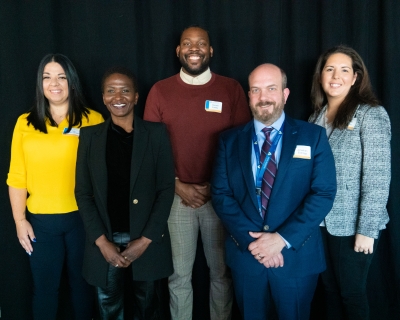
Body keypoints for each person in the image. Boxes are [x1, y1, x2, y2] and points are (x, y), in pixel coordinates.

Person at [211, 63, 337, 320]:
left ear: (285, 94)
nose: (263, 97)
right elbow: (221, 195)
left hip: (295, 257)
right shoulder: (229, 141)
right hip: (248, 257)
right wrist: (255, 244)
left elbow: (323, 193)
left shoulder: (313, 137)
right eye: (255, 90)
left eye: (271, 88)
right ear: (248, 96)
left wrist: (280, 240)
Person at [144, 26, 251, 320]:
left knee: (221, 275)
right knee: (179, 277)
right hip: (176, 198)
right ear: (178, 51)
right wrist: (178, 186)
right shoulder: (160, 91)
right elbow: (149, 151)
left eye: (201, 43)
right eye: (187, 44)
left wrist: (214, 186)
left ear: (211, 51)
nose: (194, 48)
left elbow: (242, 146)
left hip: (221, 198)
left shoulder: (230, 89)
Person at [7, 53, 104, 320]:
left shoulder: (94, 120)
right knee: (45, 290)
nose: (55, 83)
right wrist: (19, 220)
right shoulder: (24, 123)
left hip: (83, 221)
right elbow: (17, 176)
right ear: (40, 84)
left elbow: (104, 174)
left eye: (62, 76)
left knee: (83, 289)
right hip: (40, 223)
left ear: (72, 82)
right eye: (47, 77)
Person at [75, 67, 175, 320]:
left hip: (146, 242)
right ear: (103, 97)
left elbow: (166, 190)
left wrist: (145, 241)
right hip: (104, 243)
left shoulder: (156, 134)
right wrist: (102, 243)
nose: (118, 97)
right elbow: (83, 193)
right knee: (109, 310)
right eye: (111, 91)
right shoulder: (89, 138)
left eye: (125, 90)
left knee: (147, 309)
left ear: (136, 97)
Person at [309, 45, 391, 320]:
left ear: (355, 77)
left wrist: (367, 229)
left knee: (351, 294)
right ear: (321, 76)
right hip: (319, 224)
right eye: (330, 69)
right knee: (330, 291)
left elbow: (378, 176)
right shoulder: (315, 118)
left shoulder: (370, 114)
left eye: (345, 70)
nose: (336, 75)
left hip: (353, 226)